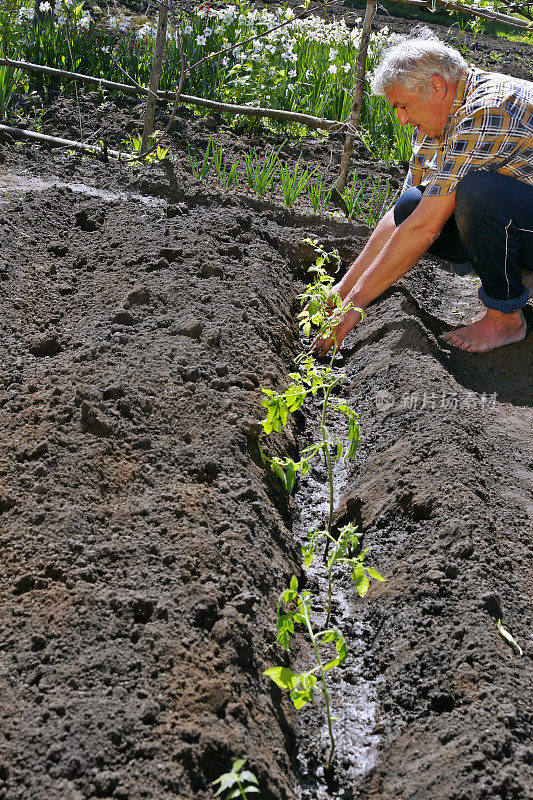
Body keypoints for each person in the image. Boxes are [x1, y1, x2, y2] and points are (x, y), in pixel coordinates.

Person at [312, 31, 533, 357]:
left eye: (403, 105)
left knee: (476, 194)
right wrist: (341, 291)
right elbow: (405, 216)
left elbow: (425, 228)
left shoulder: (486, 111)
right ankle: (519, 275)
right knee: (413, 202)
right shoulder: (441, 115)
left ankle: (505, 319)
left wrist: (354, 306)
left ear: (437, 86)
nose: (401, 119)